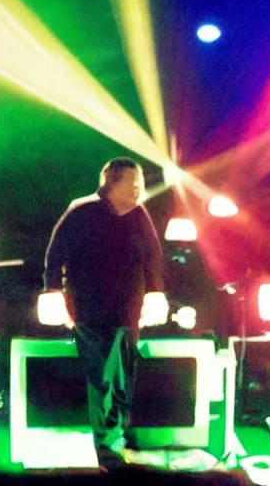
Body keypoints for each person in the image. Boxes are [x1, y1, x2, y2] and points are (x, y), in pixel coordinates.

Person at [41, 157, 167, 467]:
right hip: (87, 310)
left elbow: (153, 258)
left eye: (140, 183)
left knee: (122, 375)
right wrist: (53, 290)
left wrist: (156, 294)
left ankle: (115, 439)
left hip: (127, 311)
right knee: (100, 378)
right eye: (133, 183)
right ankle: (106, 445)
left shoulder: (139, 216)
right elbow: (55, 254)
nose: (139, 189)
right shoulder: (80, 212)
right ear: (112, 183)